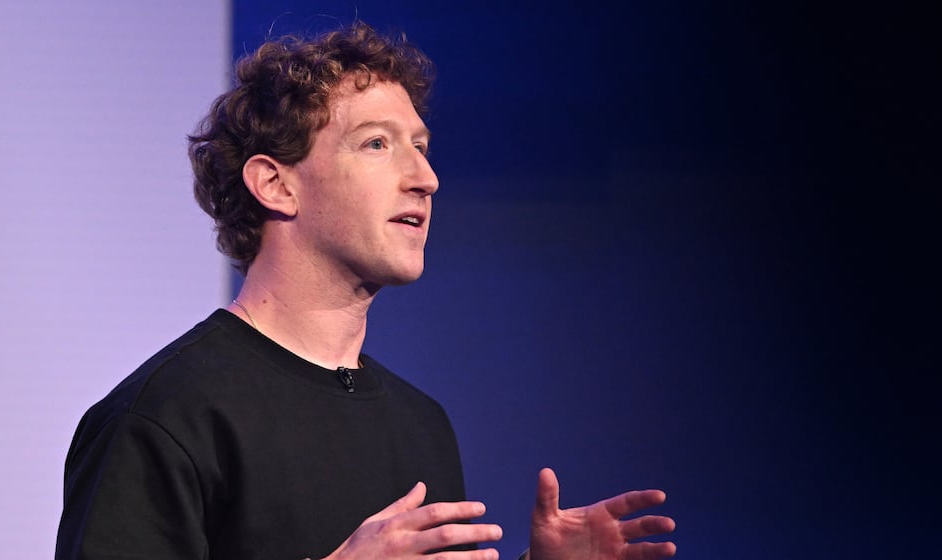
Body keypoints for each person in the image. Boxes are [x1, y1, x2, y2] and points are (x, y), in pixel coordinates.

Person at [54, 22, 676, 560]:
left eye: (422, 149)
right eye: (377, 144)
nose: (426, 179)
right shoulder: (164, 416)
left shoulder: (421, 424)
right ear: (275, 184)